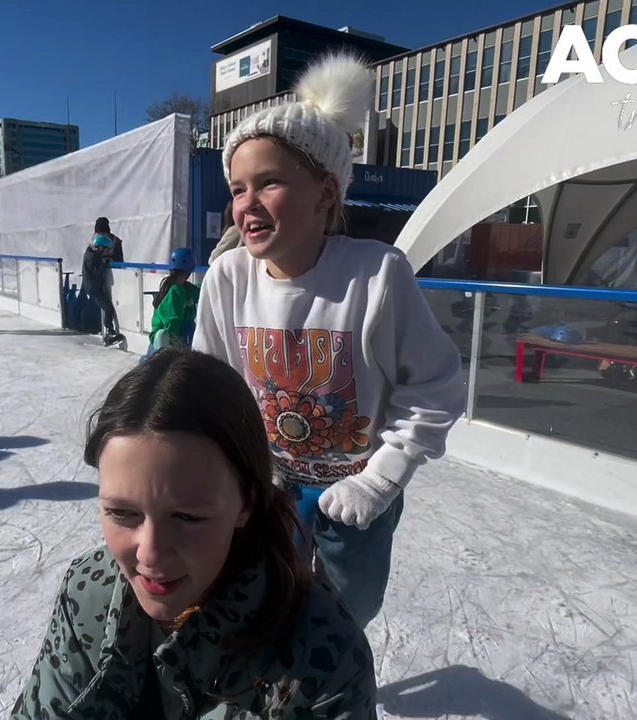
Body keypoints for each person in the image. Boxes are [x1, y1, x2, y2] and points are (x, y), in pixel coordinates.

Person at [192, 53, 467, 628]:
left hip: (358, 495)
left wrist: (381, 479)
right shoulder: (226, 278)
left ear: (325, 192)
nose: (248, 203)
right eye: (239, 188)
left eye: (270, 182)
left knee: (345, 615)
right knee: (271, 603)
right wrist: (241, 467)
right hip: (268, 488)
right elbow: (210, 385)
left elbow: (435, 388)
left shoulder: (377, 275)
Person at [11, 349, 375, 717]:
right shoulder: (89, 593)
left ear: (246, 502)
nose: (150, 555)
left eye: (187, 517)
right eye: (121, 512)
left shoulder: (325, 658)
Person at [146, 248, 200, 358]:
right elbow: (172, 320)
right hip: (166, 337)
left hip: (181, 334)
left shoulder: (186, 288)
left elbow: (201, 292)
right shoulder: (176, 291)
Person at [82, 234, 124, 347]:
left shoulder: (91, 254)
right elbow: (98, 273)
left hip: (93, 286)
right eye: (104, 249)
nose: (105, 251)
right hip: (93, 288)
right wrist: (104, 265)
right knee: (108, 307)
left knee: (106, 307)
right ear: (99, 247)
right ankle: (109, 332)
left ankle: (108, 331)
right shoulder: (91, 257)